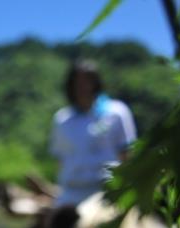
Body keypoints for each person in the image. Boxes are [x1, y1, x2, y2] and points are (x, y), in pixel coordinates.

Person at [49, 60, 137, 206]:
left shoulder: (117, 112)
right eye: (77, 82)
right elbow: (60, 159)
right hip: (71, 193)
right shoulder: (62, 118)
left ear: (96, 83)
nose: (82, 87)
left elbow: (126, 153)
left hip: (107, 191)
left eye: (87, 81)